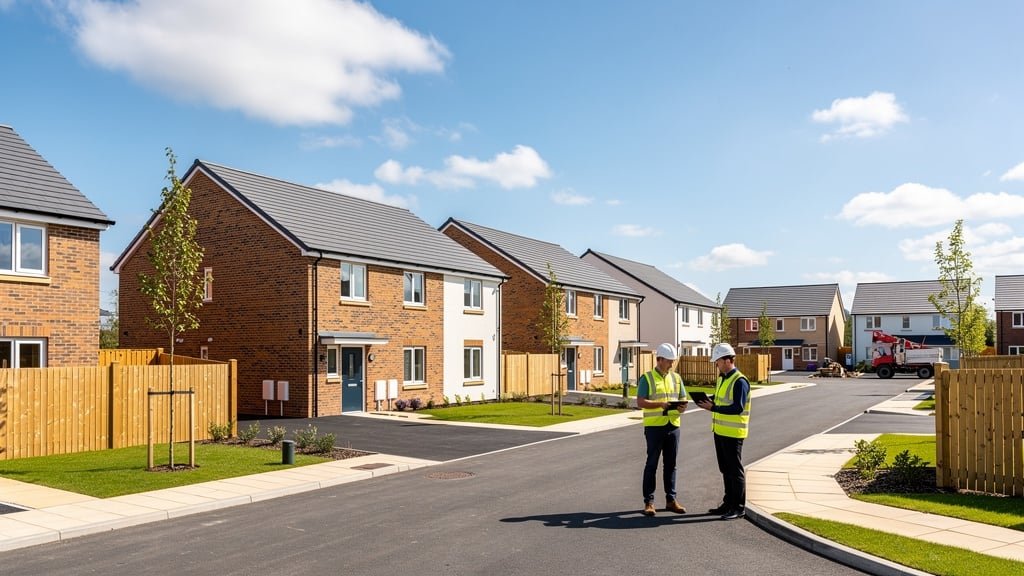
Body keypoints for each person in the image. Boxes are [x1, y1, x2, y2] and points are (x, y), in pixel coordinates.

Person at [696, 342, 751, 520]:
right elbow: (721, 399)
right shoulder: (722, 378)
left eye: (718, 361)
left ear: (728, 360)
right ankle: (728, 503)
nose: (716, 364)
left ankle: (739, 507)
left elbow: (737, 407)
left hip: (733, 434)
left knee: (735, 470)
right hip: (720, 431)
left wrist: (713, 408)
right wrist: (707, 400)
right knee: (725, 469)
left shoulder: (740, 381)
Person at [636, 343, 689, 516]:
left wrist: (682, 407)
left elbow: (683, 398)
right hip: (654, 428)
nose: (671, 364)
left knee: (671, 465)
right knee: (652, 464)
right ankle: (649, 502)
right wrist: (660, 404)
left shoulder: (676, 378)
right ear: (659, 360)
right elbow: (641, 402)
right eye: (669, 361)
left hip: (673, 426)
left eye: (673, 361)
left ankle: (671, 500)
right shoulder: (647, 378)